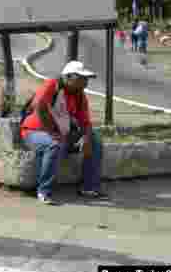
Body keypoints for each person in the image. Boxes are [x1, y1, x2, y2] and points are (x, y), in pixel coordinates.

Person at [21, 60, 108, 205]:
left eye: (86, 79)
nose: (85, 83)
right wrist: (51, 132)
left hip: (62, 132)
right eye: (81, 79)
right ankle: (44, 191)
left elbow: (85, 122)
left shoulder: (79, 95)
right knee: (53, 145)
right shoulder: (52, 85)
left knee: (95, 141)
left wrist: (86, 138)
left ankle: (90, 187)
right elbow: (39, 107)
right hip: (34, 132)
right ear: (68, 77)